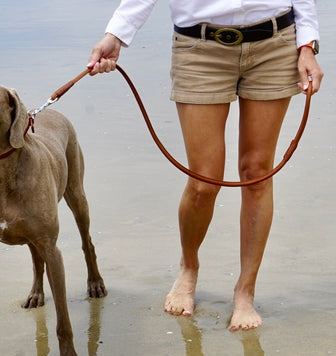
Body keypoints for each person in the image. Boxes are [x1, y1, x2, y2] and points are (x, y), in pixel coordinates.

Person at [87, 1, 323, 331]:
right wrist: (116, 35)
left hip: (275, 43)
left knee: (256, 173)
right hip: (199, 49)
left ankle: (245, 292)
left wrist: (307, 44)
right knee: (203, 182)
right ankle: (189, 266)